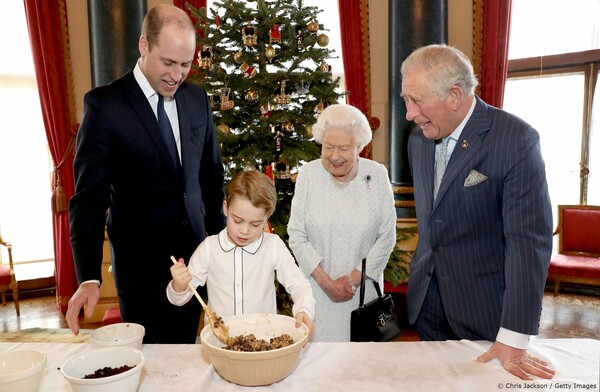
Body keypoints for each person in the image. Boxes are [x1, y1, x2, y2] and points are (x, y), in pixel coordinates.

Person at [66, 5, 226, 343]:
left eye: (185, 65)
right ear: (144, 45)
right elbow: (88, 199)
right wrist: (88, 277)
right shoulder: (105, 106)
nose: (176, 75)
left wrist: (222, 246)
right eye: (167, 62)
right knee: (151, 365)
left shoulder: (197, 99)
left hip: (196, 260)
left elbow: (211, 179)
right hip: (141, 271)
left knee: (186, 355)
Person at [401, 44, 555, 380]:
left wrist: (514, 335)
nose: (409, 114)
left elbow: (528, 242)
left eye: (417, 101)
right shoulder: (417, 139)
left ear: (455, 96)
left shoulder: (516, 140)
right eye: (405, 100)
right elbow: (436, 219)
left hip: (484, 310)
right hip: (427, 302)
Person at [287, 104, 397, 342]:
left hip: (362, 296)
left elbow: (386, 236)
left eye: (344, 148)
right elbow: (296, 234)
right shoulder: (308, 175)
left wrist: (351, 280)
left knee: (361, 368)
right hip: (317, 294)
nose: (335, 156)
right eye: (328, 147)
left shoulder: (376, 175)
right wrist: (326, 282)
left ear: (359, 147)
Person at [168, 170, 316, 337]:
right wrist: (178, 286)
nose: (244, 231)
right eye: (237, 220)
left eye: (255, 224)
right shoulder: (209, 248)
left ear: (267, 216)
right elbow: (179, 299)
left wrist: (304, 309)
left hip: (263, 340)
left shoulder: (273, 246)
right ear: (225, 207)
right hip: (220, 343)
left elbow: (299, 285)